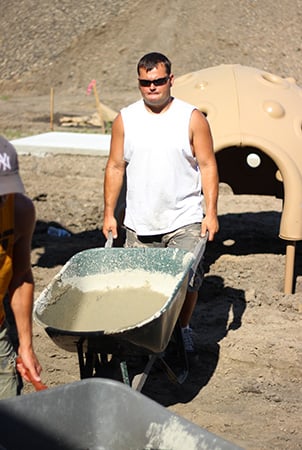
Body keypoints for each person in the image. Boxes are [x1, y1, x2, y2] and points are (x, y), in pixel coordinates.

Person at [103, 52, 219, 353]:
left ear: (171, 80)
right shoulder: (125, 119)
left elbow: (207, 165)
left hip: (185, 217)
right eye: (145, 82)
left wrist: (211, 213)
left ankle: (182, 328)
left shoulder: (191, 118)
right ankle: (147, 337)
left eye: (158, 81)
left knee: (188, 279)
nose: (152, 87)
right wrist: (108, 214)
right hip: (140, 220)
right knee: (140, 285)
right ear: (139, 82)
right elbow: (115, 166)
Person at [0, 136, 42, 399]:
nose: (2, 200)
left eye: (5, 189)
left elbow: (21, 275)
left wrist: (25, 345)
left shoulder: (19, 211)